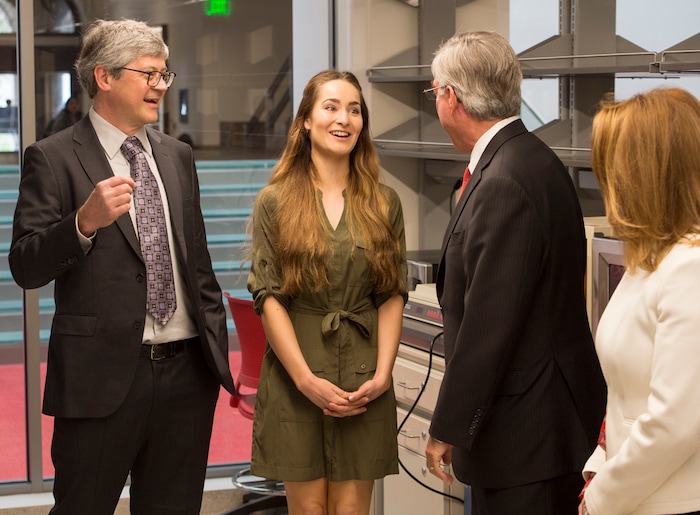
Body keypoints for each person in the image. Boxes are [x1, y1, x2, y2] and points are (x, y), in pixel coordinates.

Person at [9, 19, 234, 514]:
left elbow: (198, 265)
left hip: (186, 377)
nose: (159, 86)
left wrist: (214, 353)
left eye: (163, 75)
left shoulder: (177, 156)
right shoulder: (52, 158)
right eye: (148, 74)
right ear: (104, 77)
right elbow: (25, 266)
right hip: (100, 380)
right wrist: (82, 223)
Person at [422, 30, 607, 514]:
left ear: (451, 97)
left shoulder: (505, 180)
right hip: (538, 426)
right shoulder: (531, 159)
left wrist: (447, 426)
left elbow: (490, 326)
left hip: (526, 435)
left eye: (434, 90)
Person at [246, 69, 407, 515]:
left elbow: (391, 292)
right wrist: (303, 378)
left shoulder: (383, 202)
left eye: (354, 109)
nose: (344, 118)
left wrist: (383, 373)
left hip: (364, 375)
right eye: (331, 107)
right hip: (299, 373)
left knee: (351, 511)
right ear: (305, 122)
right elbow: (270, 297)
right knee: (311, 508)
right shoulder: (275, 201)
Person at [578, 88, 700, 515]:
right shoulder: (647, 260)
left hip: (667, 502)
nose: (605, 182)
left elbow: (674, 425)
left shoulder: (690, 269)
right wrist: (598, 467)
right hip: (630, 491)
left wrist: (602, 497)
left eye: (612, 167)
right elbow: (624, 399)